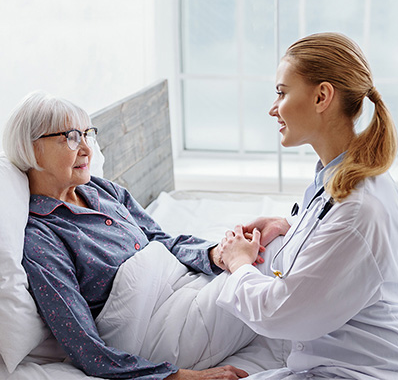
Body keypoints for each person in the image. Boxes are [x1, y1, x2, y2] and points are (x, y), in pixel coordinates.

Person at [2, 91, 258, 380]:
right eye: (71, 137)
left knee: (264, 247)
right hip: (157, 330)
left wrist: (219, 254)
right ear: (33, 149)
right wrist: (186, 377)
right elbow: (84, 345)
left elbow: (161, 239)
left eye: (88, 135)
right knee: (268, 264)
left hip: (180, 287)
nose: (86, 149)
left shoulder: (101, 190)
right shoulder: (42, 238)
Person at [217, 32, 398, 379]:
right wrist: (292, 226)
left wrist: (238, 263)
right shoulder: (346, 179)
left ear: (322, 96)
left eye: (282, 93)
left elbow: (281, 313)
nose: (273, 108)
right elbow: (337, 241)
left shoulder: (358, 210)